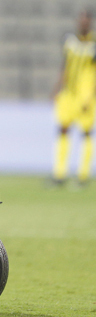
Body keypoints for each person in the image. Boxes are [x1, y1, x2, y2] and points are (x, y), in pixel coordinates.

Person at [52, 10, 95, 186]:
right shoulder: (70, 41)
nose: (83, 22)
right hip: (68, 94)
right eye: (81, 19)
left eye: (86, 19)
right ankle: (60, 175)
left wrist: (91, 95)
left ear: (90, 22)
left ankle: (83, 176)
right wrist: (57, 88)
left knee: (86, 133)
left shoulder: (94, 44)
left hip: (86, 95)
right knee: (63, 129)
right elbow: (65, 66)